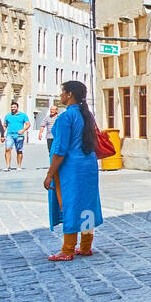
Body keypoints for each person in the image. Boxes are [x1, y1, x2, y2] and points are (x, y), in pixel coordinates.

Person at [43, 80, 103, 261]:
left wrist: (49, 174)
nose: (60, 95)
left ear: (69, 94)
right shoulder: (87, 116)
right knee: (88, 204)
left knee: (70, 204)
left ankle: (68, 249)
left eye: (62, 92)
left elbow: (60, 149)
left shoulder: (65, 117)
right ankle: (85, 246)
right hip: (89, 166)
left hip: (71, 168)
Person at [3, 101, 31, 170]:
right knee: (7, 149)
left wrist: (23, 130)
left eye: (14, 107)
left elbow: (28, 124)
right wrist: (2, 135)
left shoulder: (23, 115)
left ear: (17, 108)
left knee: (19, 150)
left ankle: (18, 166)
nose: (13, 108)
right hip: (10, 135)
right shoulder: (7, 116)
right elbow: (5, 125)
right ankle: (7, 166)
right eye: (12, 107)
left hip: (19, 136)